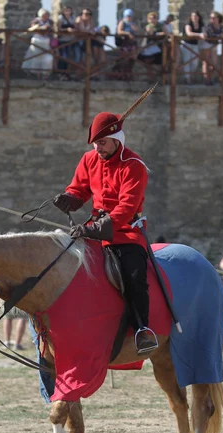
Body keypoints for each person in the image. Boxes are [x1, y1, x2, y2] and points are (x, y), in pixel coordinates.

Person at [53, 110, 158, 354]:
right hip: (94, 228)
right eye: (95, 143)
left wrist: (94, 229)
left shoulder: (134, 166)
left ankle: (142, 329)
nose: (97, 148)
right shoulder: (89, 159)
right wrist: (69, 199)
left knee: (134, 277)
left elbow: (125, 208)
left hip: (125, 231)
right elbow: (79, 189)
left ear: (117, 140)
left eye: (102, 143)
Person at [21, 9, 54, 79]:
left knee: (47, 57)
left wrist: (46, 29)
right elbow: (33, 29)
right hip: (37, 40)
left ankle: (45, 73)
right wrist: (40, 28)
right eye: (45, 15)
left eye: (47, 15)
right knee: (36, 56)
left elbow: (51, 30)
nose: (46, 16)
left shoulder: (50, 21)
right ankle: (35, 73)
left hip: (46, 41)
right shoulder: (36, 21)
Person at [137, 12, 165, 79]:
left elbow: (165, 33)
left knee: (161, 61)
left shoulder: (160, 25)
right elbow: (150, 32)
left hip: (158, 47)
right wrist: (157, 33)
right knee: (147, 62)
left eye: (154, 18)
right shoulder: (148, 27)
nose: (152, 20)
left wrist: (157, 34)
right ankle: (151, 77)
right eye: (151, 18)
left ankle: (161, 77)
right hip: (148, 47)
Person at [181, 11, 205, 85]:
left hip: (195, 45)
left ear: (199, 17)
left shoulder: (201, 25)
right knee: (187, 61)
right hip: (186, 44)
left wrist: (203, 35)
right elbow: (189, 33)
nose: (194, 17)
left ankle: (189, 76)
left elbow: (204, 33)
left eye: (196, 16)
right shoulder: (188, 24)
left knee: (195, 62)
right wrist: (199, 34)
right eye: (193, 16)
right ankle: (187, 79)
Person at [200, 11, 223, 85]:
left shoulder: (221, 26)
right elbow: (210, 35)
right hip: (207, 44)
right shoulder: (209, 25)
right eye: (211, 18)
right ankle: (207, 79)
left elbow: (221, 35)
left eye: (214, 18)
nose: (212, 19)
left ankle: (210, 77)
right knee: (206, 62)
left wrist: (217, 37)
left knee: (214, 63)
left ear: (218, 18)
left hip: (214, 45)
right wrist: (217, 36)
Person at [116, 8, 139, 80]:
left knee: (132, 59)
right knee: (125, 59)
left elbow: (137, 31)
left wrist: (134, 28)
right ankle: (123, 75)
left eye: (130, 16)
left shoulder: (132, 24)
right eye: (127, 16)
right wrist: (128, 33)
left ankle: (129, 74)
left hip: (132, 44)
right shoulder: (122, 22)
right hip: (125, 43)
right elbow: (119, 31)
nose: (129, 17)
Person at [57, 5, 80, 78]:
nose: (68, 12)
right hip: (62, 40)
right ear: (63, 11)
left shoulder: (73, 18)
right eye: (66, 10)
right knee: (63, 56)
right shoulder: (61, 18)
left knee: (69, 57)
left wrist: (74, 30)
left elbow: (76, 27)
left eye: (69, 10)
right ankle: (61, 72)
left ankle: (67, 73)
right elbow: (58, 28)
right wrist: (66, 30)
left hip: (71, 40)